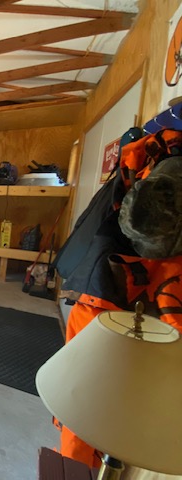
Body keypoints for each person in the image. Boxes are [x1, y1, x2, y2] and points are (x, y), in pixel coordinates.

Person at [53, 128, 182, 467]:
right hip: (107, 287)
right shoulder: (147, 176)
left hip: (114, 289)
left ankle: (77, 456)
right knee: (84, 379)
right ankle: (76, 459)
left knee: (87, 380)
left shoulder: (151, 168)